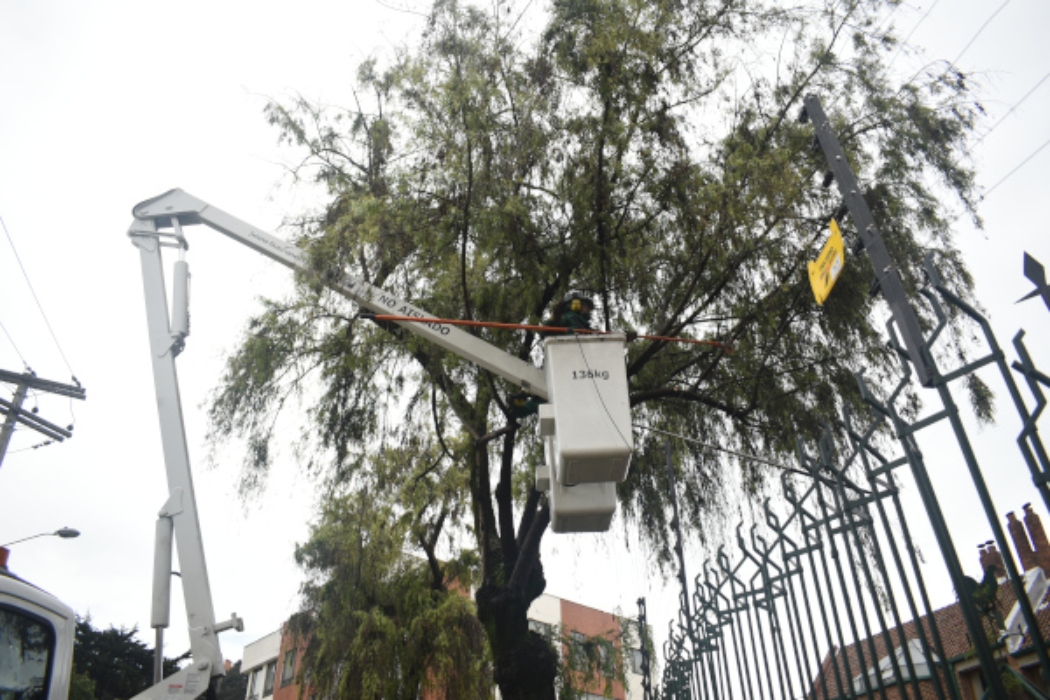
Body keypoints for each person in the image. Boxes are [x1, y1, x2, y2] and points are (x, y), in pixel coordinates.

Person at [510, 291, 596, 418]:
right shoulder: (568, 318)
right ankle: (518, 407)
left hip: (570, 367)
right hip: (564, 362)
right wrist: (554, 318)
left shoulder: (584, 325)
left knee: (548, 397)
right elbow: (544, 332)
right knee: (547, 397)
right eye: (584, 305)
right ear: (574, 304)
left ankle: (518, 408)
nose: (587, 309)